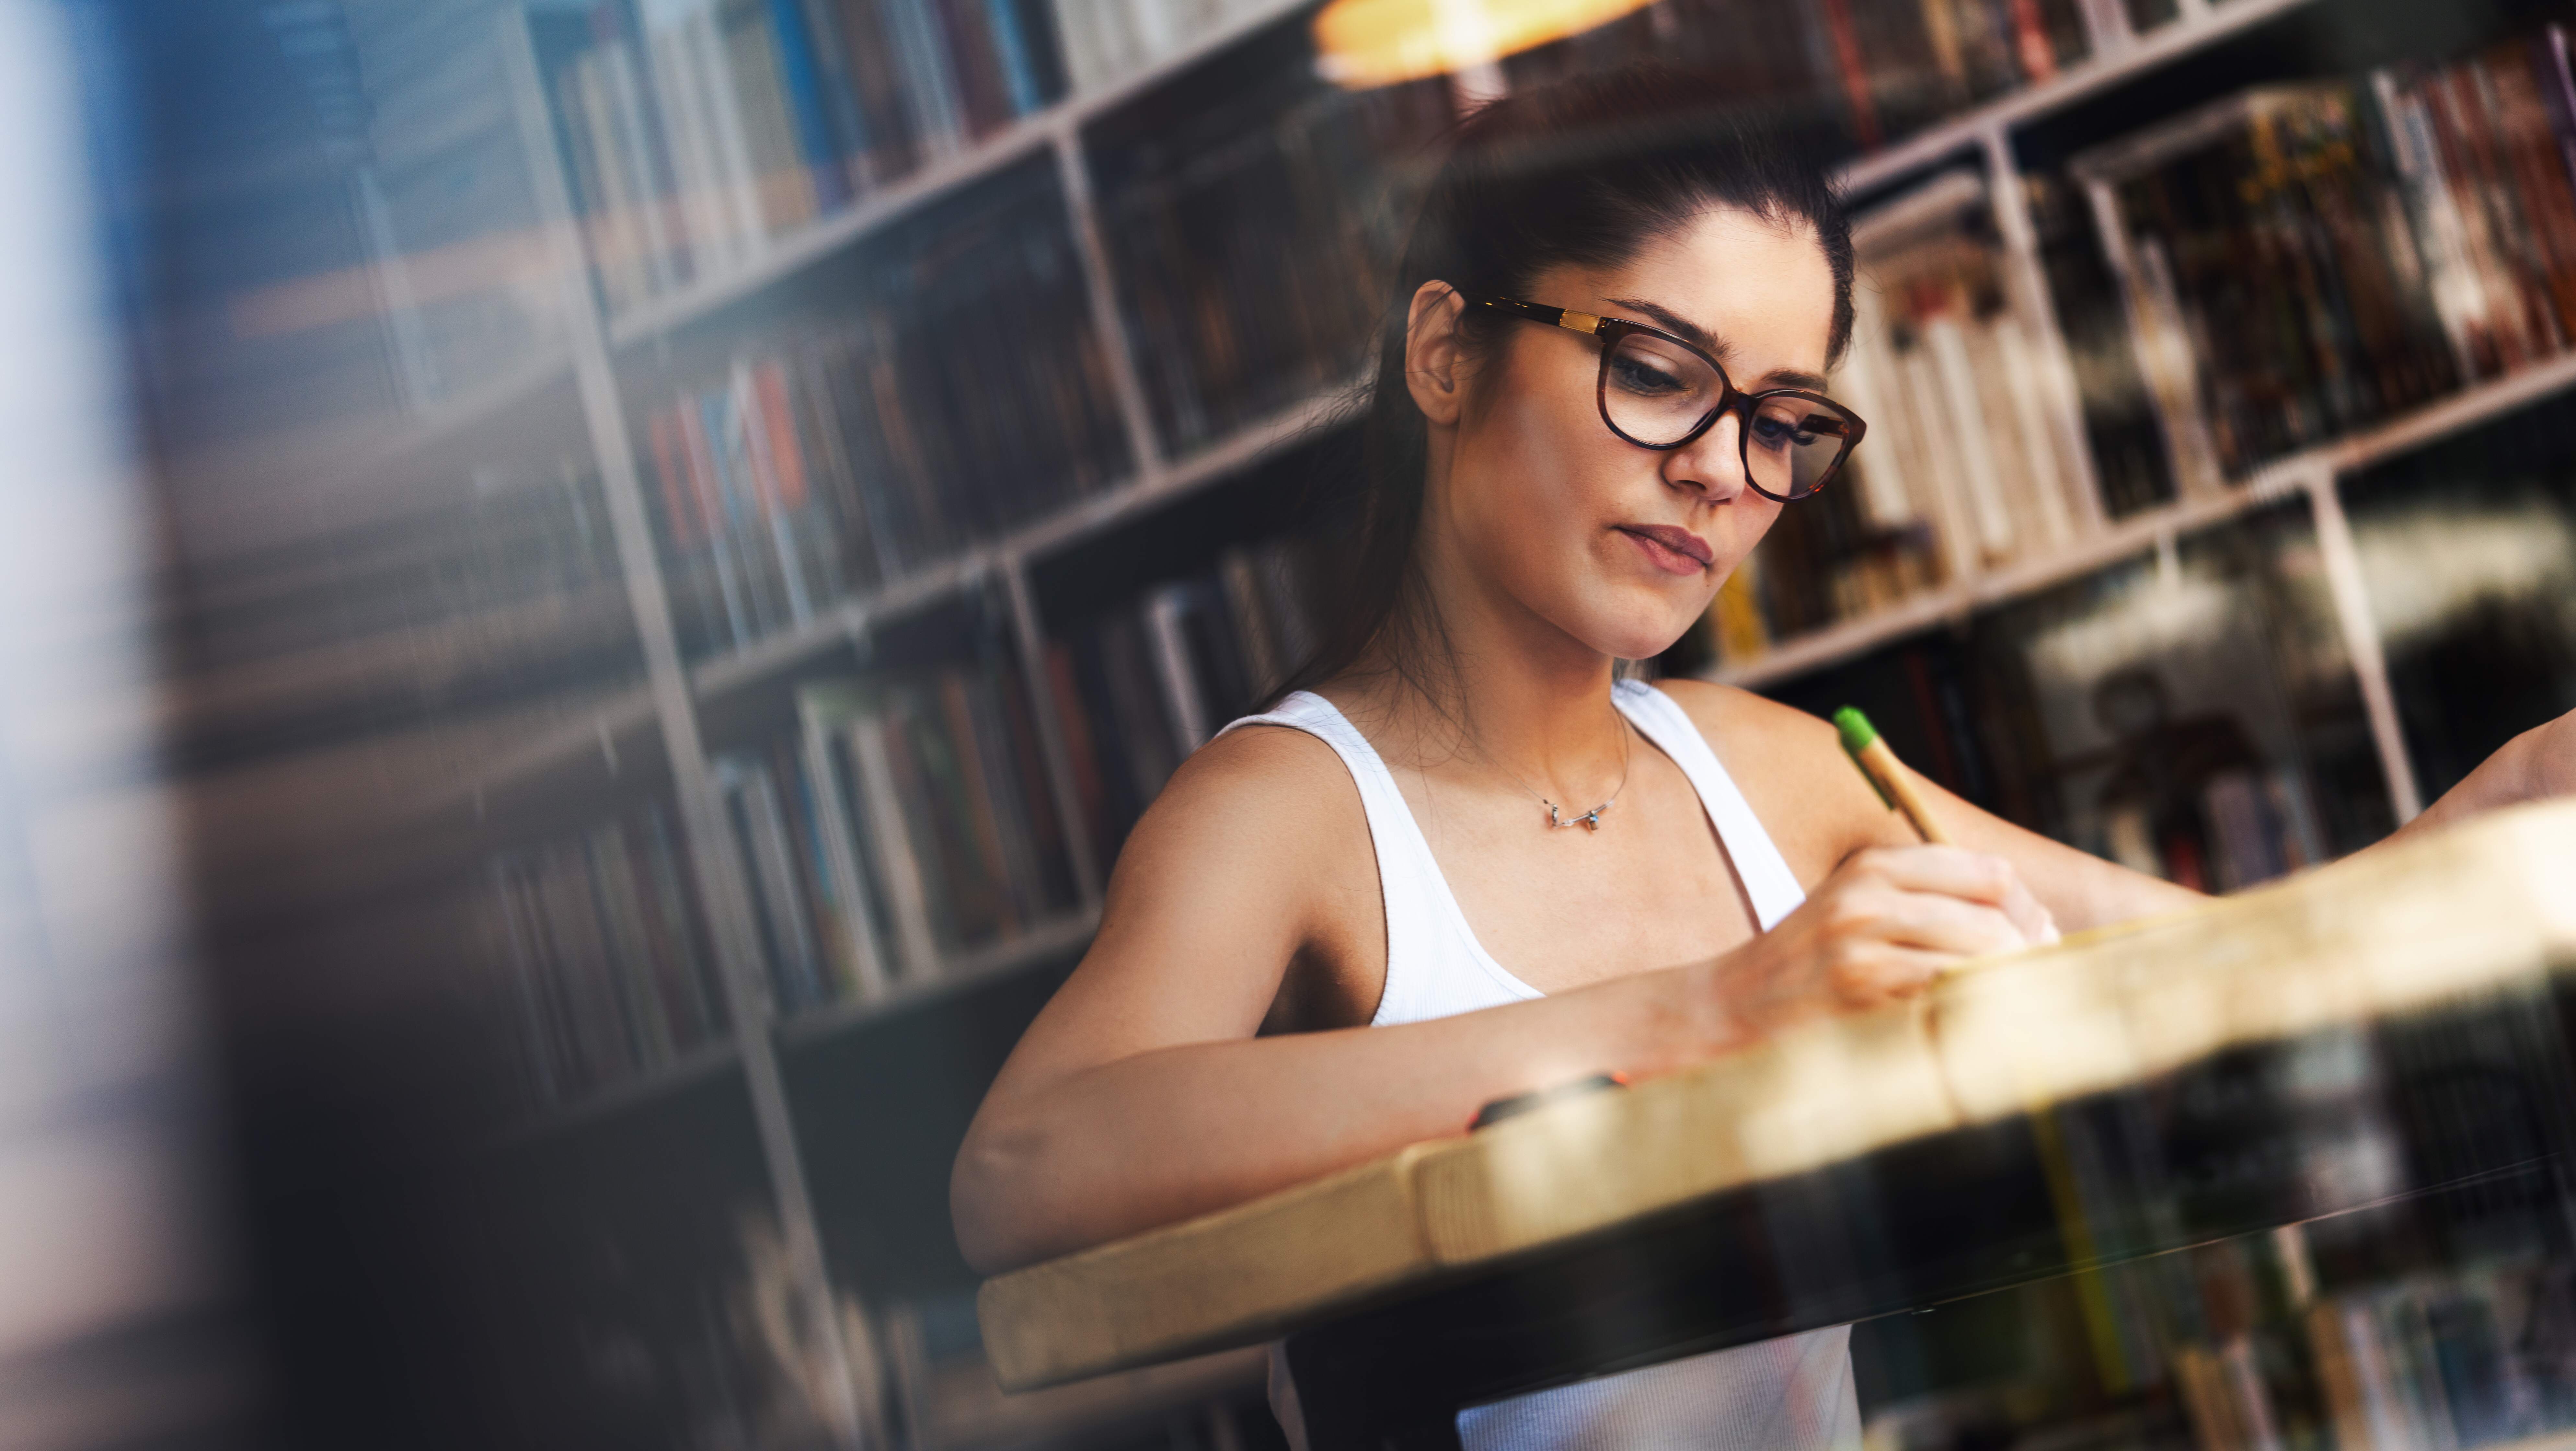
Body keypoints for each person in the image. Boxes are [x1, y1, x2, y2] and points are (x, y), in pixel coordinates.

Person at [950, 65, 2576, 1448]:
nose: (1726, 473)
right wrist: (1708, 1010)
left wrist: (2491, 813)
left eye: (1782, 419)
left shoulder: (1766, 771)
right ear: (1444, 351)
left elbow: (2217, 970)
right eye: (1658, 372)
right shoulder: (1292, 808)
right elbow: (1023, 1171)